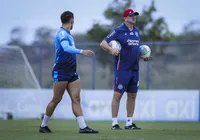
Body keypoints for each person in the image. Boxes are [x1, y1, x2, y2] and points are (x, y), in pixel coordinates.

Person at [39, 11, 98, 134]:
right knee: (56, 99)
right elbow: (66, 48)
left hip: (72, 71)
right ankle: (43, 125)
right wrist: (83, 51)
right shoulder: (62, 34)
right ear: (72, 19)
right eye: (73, 19)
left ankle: (83, 127)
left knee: (76, 98)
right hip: (61, 70)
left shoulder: (68, 34)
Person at [100, 8, 152, 130]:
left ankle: (129, 123)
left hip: (135, 69)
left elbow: (135, 50)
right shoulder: (118, 31)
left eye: (134, 15)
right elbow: (103, 43)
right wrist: (111, 49)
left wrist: (144, 57)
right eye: (131, 15)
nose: (134, 17)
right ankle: (114, 123)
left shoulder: (137, 31)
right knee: (117, 95)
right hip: (122, 69)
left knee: (133, 95)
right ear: (125, 18)